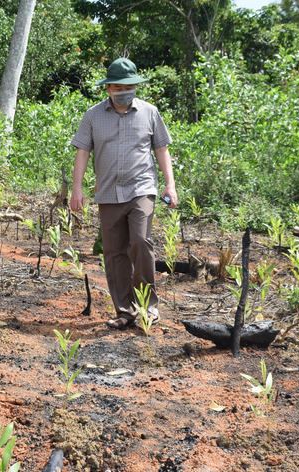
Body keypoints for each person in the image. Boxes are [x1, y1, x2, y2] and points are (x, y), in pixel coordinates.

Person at [69, 58, 178, 329]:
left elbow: (161, 149)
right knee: (114, 252)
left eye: (128, 86)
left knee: (141, 243)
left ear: (136, 87)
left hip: (141, 188)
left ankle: (148, 308)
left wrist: (170, 184)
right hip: (108, 192)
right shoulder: (93, 115)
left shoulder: (150, 112)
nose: (123, 91)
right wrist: (77, 188)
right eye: (117, 87)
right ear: (108, 88)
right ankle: (125, 311)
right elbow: (83, 152)